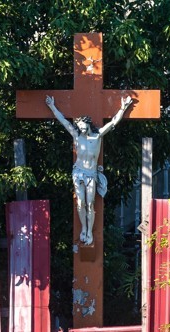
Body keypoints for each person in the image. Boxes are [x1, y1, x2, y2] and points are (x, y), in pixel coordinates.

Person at [46, 94, 133, 246]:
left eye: (83, 126)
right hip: (79, 172)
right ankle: (83, 229)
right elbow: (63, 122)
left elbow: (113, 122)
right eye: (79, 127)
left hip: (91, 174)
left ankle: (89, 232)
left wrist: (123, 107)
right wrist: (52, 106)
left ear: (88, 124)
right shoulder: (76, 136)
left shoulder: (97, 136)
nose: (81, 129)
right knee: (80, 203)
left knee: (90, 203)